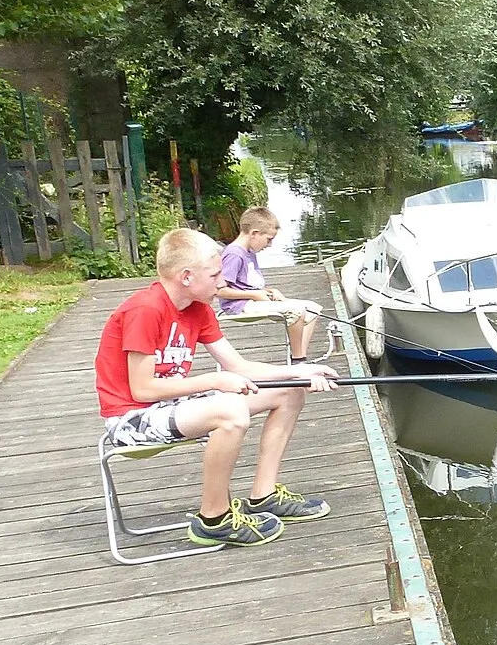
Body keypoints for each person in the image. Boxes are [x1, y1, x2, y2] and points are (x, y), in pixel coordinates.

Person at [96, 227, 339, 547]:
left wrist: (299, 372)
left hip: (171, 407)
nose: (222, 283)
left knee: (287, 391)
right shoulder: (145, 309)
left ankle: (263, 495)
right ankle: (213, 519)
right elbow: (143, 391)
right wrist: (215, 381)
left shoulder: (199, 310)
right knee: (231, 410)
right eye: (214, 275)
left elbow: (239, 367)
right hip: (131, 419)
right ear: (186, 276)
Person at [217, 206, 324, 361]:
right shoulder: (234, 254)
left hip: (252, 301)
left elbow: (246, 285)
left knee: (313, 309)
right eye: (269, 239)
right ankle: (299, 360)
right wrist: (253, 294)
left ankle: (299, 357)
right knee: (296, 310)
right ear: (254, 233)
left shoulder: (249, 252)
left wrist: (270, 291)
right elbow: (219, 291)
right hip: (238, 306)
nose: (269, 245)